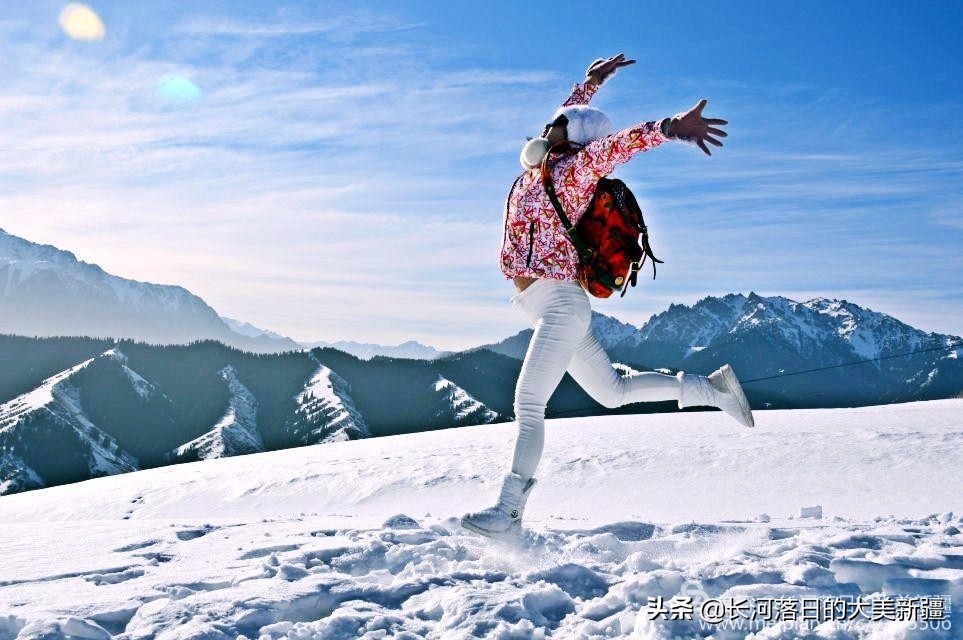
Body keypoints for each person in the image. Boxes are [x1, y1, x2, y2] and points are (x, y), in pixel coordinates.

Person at [461, 54, 754, 538]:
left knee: (528, 403)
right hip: (548, 306)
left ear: (570, 137)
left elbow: (618, 144)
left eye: (556, 125)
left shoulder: (577, 170)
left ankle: (508, 512)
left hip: (559, 304)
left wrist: (669, 127)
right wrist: (591, 83)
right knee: (613, 393)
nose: (547, 126)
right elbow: (569, 112)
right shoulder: (542, 168)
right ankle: (711, 390)